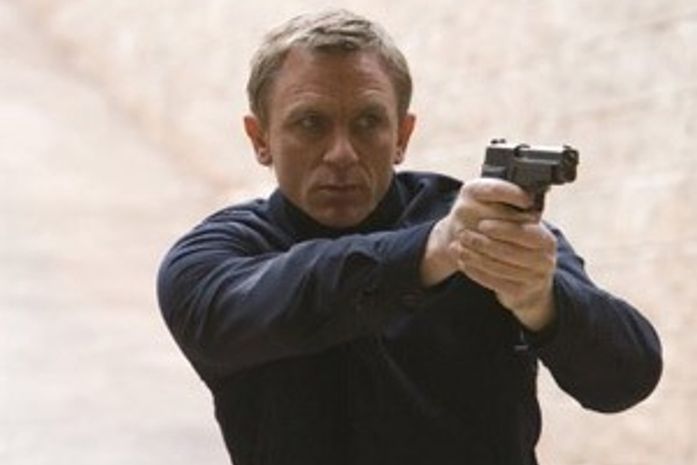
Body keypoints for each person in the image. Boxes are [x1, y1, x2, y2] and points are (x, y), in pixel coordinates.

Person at [156, 9, 662, 465]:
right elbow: (277, 298)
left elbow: (626, 377)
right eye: (310, 124)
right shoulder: (214, 257)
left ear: (402, 135)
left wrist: (542, 301)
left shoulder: (483, 229)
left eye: (368, 122)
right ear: (260, 139)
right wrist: (432, 251)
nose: (341, 152)